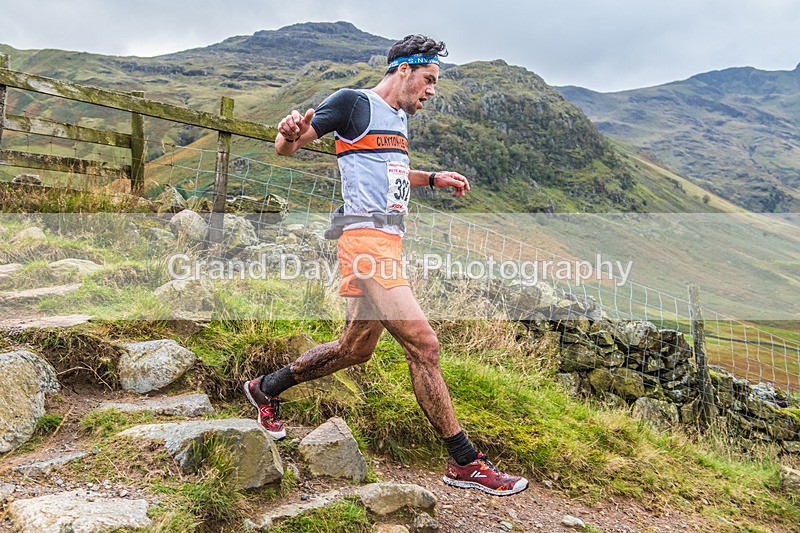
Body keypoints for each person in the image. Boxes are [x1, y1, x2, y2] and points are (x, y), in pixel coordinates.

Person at [244, 34, 528, 497]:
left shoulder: (398, 118)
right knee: (424, 345)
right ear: (404, 70)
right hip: (364, 244)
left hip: (387, 243)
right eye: (429, 79)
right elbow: (287, 146)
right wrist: (289, 131)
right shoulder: (353, 104)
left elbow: (389, 172)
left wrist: (431, 178)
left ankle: (265, 389)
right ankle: (466, 462)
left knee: (354, 349)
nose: (432, 90)